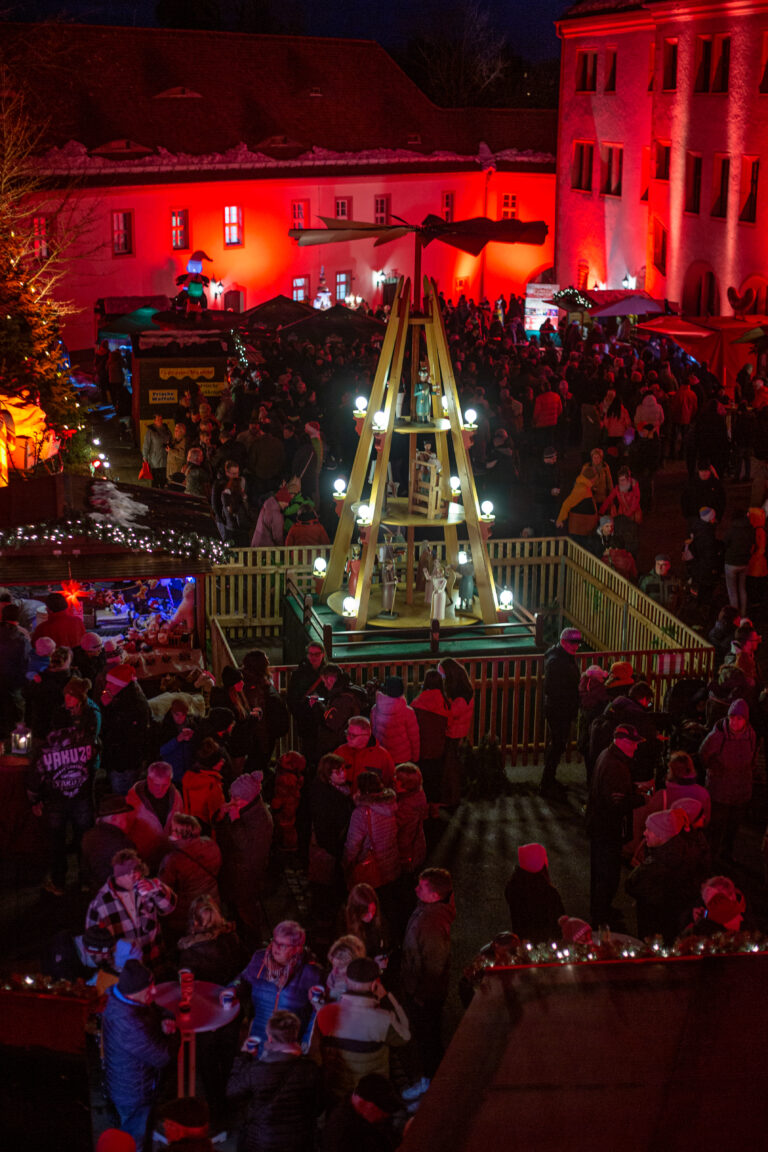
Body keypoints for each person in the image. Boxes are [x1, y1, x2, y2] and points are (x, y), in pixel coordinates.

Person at [312, 956, 410, 1105]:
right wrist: (386, 998)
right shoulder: (383, 1019)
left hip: (336, 1094)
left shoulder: (326, 1012)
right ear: (374, 986)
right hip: (370, 1097)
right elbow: (405, 1036)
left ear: (346, 980)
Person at [101, 959, 176, 1151]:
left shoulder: (124, 1001)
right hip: (133, 1093)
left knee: (139, 1134)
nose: (154, 991)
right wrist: (175, 1033)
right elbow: (163, 1056)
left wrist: (166, 1017)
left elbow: (155, 1008)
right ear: (134, 993)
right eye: (149, 988)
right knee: (135, 1141)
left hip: (129, 1086)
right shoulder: (129, 1024)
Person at [26, 705, 99, 895]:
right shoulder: (88, 742)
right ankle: (85, 881)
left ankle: (59, 883)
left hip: (56, 801)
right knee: (85, 839)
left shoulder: (46, 749)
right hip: (81, 798)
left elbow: (36, 777)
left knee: (57, 842)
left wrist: (34, 800)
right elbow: (94, 761)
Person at [226, 1009, 322, 1152]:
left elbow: (232, 1091)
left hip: (261, 1140)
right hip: (299, 1141)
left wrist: (244, 1057)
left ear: (270, 1037)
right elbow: (319, 1105)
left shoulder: (257, 1070)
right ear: (295, 1034)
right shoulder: (310, 1069)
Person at [229, 920, 324, 1054]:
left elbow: (315, 1013)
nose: (276, 948)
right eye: (275, 941)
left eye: (283, 945)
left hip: (287, 1045)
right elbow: (243, 978)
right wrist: (233, 988)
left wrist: (305, 1044)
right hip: (258, 1037)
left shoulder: (310, 973)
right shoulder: (259, 959)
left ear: (297, 948)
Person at [585, 723, 645, 928]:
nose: (636, 747)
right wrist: (640, 799)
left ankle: (600, 909)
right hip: (607, 829)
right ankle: (602, 915)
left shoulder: (607, 756)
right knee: (607, 874)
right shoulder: (616, 766)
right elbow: (616, 803)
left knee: (600, 872)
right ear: (622, 742)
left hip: (598, 825)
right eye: (633, 743)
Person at [400, 867, 455, 1079]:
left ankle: (432, 1082)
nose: (416, 889)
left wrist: (420, 995)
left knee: (428, 1041)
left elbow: (434, 964)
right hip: (422, 991)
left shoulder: (431, 923)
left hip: (425, 996)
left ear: (435, 895)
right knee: (428, 1039)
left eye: (421, 887)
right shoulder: (428, 911)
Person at [85, 848, 176, 968]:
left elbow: (169, 907)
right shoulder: (100, 903)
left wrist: (156, 889)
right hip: (126, 972)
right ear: (118, 876)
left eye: (137, 870)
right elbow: (93, 945)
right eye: (128, 873)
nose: (135, 876)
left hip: (155, 962)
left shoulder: (148, 887)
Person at [215, 771, 273, 948]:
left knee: (246, 911)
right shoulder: (244, 809)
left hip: (246, 875)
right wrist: (220, 817)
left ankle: (253, 945)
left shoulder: (261, 819)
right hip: (234, 872)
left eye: (235, 797)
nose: (231, 799)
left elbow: (244, 845)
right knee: (236, 909)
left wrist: (234, 817)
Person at [625, 808, 698, 942]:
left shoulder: (658, 865)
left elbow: (631, 885)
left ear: (662, 834)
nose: (644, 833)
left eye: (650, 830)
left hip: (653, 921)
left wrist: (639, 869)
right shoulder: (682, 849)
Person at [699, 699, 757, 862]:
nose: (735, 722)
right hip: (720, 790)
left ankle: (726, 854)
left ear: (745, 720)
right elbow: (703, 754)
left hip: (741, 791)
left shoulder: (751, 735)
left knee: (733, 827)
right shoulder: (718, 735)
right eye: (732, 718)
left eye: (739, 719)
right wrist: (715, 769)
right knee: (716, 827)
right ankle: (711, 858)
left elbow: (752, 757)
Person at [343, 772, 400, 920]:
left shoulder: (362, 813)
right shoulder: (391, 805)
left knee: (369, 909)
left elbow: (353, 845)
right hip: (391, 865)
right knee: (387, 907)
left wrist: (346, 863)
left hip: (371, 869)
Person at [158, 812, 222, 942]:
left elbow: (164, 889)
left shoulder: (172, 860)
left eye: (173, 829)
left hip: (186, 912)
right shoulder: (211, 845)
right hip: (211, 903)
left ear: (180, 834)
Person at [539, 627, 581, 799]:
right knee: (557, 746)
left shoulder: (561, 657)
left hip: (561, 707)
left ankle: (549, 780)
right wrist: (571, 694)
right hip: (559, 709)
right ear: (563, 642)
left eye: (578, 643)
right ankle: (546, 783)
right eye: (573, 643)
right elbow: (551, 687)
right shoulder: (557, 661)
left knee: (557, 745)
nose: (576, 646)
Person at [101, 664, 153, 795]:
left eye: (110, 684)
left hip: (125, 763)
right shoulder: (121, 698)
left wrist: (107, 708)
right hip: (120, 760)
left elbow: (120, 732)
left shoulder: (133, 705)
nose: (107, 687)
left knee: (125, 795)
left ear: (120, 685)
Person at [320, 1073, 402, 1152]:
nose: (385, 1115)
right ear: (363, 1103)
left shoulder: (364, 1114)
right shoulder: (343, 1136)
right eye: (382, 1111)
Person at [126, 761, 184, 870]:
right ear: (149, 780)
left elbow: (179, 822)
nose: (160, 790)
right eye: (157, 785)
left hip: (167, 857)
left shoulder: (176, 796)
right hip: (143, 858)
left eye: (165, 785)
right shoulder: (133, 800)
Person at [177, 895, 246, 985]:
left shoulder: (189, 951)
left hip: (205, 993)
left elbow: (185, 981)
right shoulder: (232, 937)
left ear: (194, 922)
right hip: (235, 989)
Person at [504, 843, 565, 943]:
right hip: (545, 943)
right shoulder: (547, 891)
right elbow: (558, 920)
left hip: (523, 940)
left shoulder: (514, 885)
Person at [81, 794, 136, 896]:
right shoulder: (123, 844)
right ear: (115, 819)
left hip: (96, 889)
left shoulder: (88, 836)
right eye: (125, 818)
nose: (128, 821)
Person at [437, 657, 474, 809]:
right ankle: (452, 796)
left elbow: (451, 717)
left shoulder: (460, 698)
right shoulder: (465, 690)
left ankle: (452, 798)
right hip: (459, 731)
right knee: (453, 764)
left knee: (450, 766)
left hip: (454, 733)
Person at [411, 669, 450, 802]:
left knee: (424, 778)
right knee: (436, 778)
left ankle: (424, 806)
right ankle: (434, 807)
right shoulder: (445, 703)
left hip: (422, 748)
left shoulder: (417, 702)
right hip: (439, 748)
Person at [286, 641, 326, 763]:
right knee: (308, 751)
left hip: (326, 720)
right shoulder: (299, 674)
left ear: (323, 654)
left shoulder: (329, 672)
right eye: (311, 654)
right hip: (307, 720)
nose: (313, 657)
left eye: (317, 654)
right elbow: (292, 697)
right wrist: (300, 714)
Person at [335, 716, 395, 792]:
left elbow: (388, 783)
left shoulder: (382, 756)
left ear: (366, 736)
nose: (348, 738)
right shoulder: (340, 751)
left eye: (353, 735)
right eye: (347, 733)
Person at [314, 665, 363, 757]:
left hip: (338, 745)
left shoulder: (342, 698)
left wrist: (319, 707)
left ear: (331, 679)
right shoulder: (346, 691)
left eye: (325, 681)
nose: (325, 685)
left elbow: (332, 723)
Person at [370, 676, 420, 765]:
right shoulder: (408, 711)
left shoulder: (375, 709)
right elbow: (414, 737)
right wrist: (415, 757)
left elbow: (374, 731)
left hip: (382, 754)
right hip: (403, 756)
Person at [325, 935, 367, 1002]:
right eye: (333, 966)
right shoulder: (334, 974)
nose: (335, 971)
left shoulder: (360, 986)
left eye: (341, 967)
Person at [142, 412, 171, 489]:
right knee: (155, 480)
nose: (160, 421)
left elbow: (171, 440)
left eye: (161, 419)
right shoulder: (150, 431)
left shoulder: (166, 429)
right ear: (154, 421)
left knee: (163, 479)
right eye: (158, 419)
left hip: (165, 459)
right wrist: (145, 457)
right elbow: (146, 444)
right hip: (155, 459)